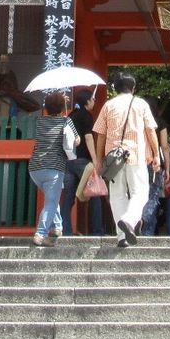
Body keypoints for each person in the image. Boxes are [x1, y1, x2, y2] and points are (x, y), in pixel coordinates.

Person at [93, 72, 160, 248]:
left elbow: (100, 135)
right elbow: (150, 130)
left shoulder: (108, 105)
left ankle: (122, 237)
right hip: (136, 154)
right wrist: (156, 154)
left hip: (113, 157)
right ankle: (129, 220)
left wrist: (99, 160)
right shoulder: (141, 104)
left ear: (114, 88)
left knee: (117, 196)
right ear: (133, 87)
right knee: (141, 192)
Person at [28, 91, 79, 247]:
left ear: (47, 107)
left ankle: (57, 227)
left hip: (35, 167)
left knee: (52, 198)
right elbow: (76, 140)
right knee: (51, 201)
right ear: (61, 107)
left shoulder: (39, 121)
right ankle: (41, 233)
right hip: (54, 167)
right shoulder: (66, 121)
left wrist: (58, 101)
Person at [61, 89, 102, 236]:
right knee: (95, 194)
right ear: (86, 101)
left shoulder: (70, 115)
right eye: (92, 99)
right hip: (83, 161)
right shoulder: (86, 115)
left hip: (68, 160)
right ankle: (97, 231)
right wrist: (95, 159)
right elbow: (89, 137)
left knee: (68, 198)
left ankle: (66, 231)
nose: (94, 101)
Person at [141, 97, 170, 237]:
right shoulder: (161, 122)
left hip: (137, 162)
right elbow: (164, 147)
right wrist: (168, 168)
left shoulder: (138, 121)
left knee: (138, 195)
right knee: (153, 196)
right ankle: (147, 228)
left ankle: (137, 222)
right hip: (154, 163)